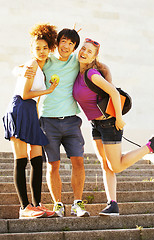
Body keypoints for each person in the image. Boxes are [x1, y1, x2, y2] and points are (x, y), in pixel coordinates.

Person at [73, 38, 154, 216]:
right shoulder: (78, 73)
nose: (84, 53)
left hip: (109, 123)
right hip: (95, 124)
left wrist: (119, 118)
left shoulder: (91, 74)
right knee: (106, 165)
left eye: (89, 52)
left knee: (116, 166)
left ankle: (151, 146)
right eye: (83, 49)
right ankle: (112, 204)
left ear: (94, 57)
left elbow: (113, 92)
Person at [25, 28, 112, 218]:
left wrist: (109, 89)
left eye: (71, 43)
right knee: (53, 165)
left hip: (72, 120)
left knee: (78, 162)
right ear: (58, 42)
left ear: (74, 48)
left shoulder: (76, 62)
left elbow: (100, 66)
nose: (66, 46)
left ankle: (77, 204)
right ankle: (58, 205)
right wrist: (19, 69)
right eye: (64, 41)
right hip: (48, 121)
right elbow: (25, 66)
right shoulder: (46, 60)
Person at [2, 23, 59, 219]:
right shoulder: (32, 64)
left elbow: (33, 99)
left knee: (37, 159)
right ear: (31, 49)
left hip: (30, 112)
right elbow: (25, 94)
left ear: (50, 48)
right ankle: (24, 207)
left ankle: (37, 204)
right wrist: (49, 90)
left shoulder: (42, 67)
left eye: (45, 48)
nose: (41, 52)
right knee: (21, 160)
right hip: (19, 108)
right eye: (38, 48)